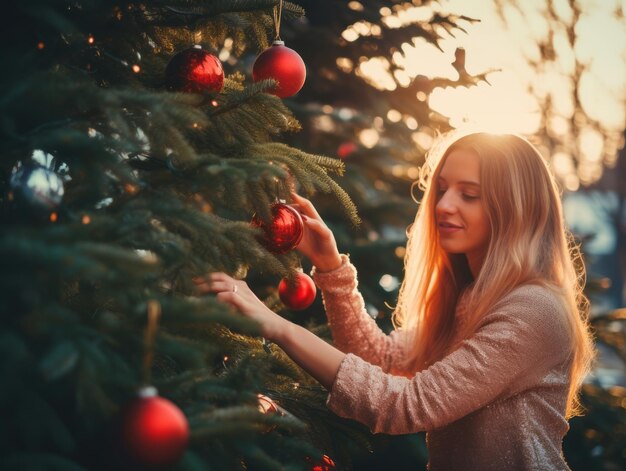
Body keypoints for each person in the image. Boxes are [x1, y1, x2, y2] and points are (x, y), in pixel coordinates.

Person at [193, 131, 596, 470]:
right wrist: (330, 266)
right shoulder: (474, 297)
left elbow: (405, 405)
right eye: (441, 190)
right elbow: (382, 359)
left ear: (516, 209)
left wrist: (277, 326)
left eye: (469, 194)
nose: (443, 205)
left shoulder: (533, 310)